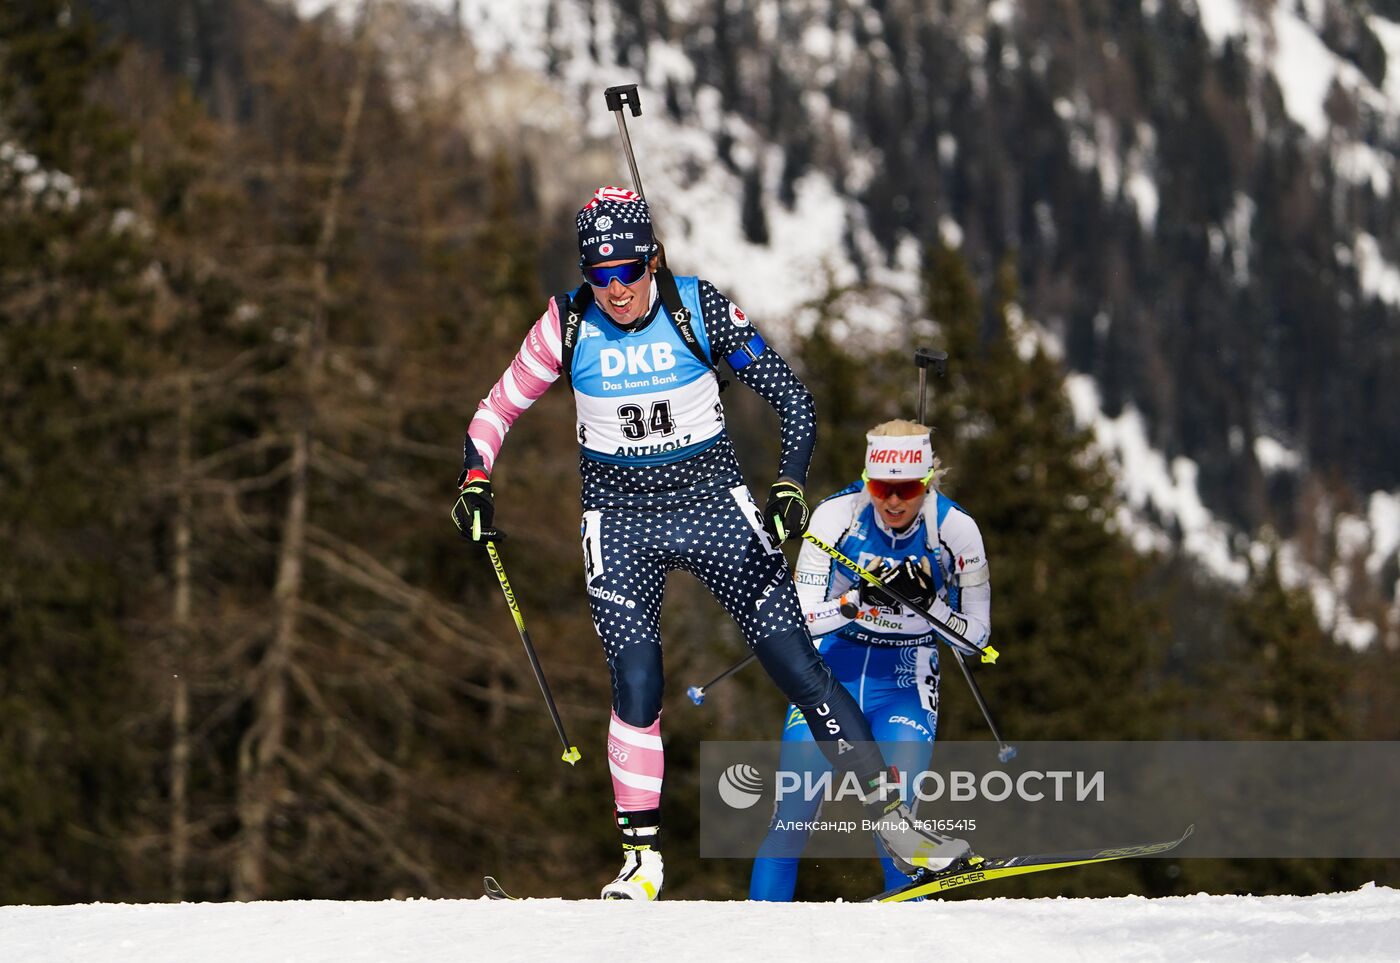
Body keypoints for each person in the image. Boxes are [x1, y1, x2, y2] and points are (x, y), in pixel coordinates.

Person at [453, 186, 965, 900]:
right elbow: (496, 408)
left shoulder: (700, 308)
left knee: (798, 666)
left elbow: (792, 398)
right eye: (598, 276)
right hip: (620, 520)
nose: (615, 290)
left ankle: (897, 824)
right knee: (636, 682)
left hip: (713, 508)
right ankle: (641, 864)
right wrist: (476, 477)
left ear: (653, 260)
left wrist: (788, 485)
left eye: (628, 272)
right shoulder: (565, 326)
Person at [749, 420, 993, 901]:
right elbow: (798, 622)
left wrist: (931, 605)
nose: (895, 502)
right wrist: (854, 601)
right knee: (791, 819)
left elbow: (978, 640)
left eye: (908, 489)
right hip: (831, 674)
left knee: (898, 826)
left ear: (927, 482)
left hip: (903, 677)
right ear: (867, 481)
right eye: (882, 488)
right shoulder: (835, 517)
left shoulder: (957, 530)